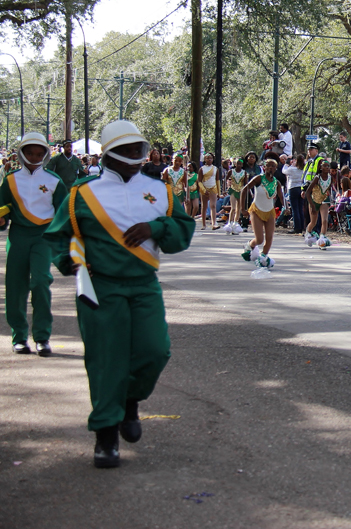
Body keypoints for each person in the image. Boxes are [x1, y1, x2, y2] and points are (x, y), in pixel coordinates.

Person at [43, 119, 194, 468]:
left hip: (144, 285)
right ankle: (105, 434)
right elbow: (56, 236)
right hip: (101, 288)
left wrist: (157, 227)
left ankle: (130, 401)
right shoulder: (82, 193)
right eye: (122, 150)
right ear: (107, 156)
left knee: (155, 352)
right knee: (106, 360)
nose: (131, 156)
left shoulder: (160, 191)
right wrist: (73, 266)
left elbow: (182, 232)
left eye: (136, 149)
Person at [0, 133, 67, 355]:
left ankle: (42, 337)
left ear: (46, 155)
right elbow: (4, 208)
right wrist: (2, 220)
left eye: (39, 154)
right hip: (18, 236)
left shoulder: (54, 181)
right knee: (16, 286)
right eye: (29, 153)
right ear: (21, 153)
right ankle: (19, 337)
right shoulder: (10, 179)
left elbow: (63, 213)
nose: (34, 157)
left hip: (43, 237)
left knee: (40, 282)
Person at [240, 158, 283, 268]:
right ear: (264, 167)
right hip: (256, 210)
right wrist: (242, 208)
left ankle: (263, 257)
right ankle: (250, 245)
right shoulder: (258, 178)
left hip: (270, 212)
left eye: (273, 166)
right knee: (259, 239)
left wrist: (286, 207)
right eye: (268, 165)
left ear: (276, 169)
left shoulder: (276, 183)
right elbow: (244, 190)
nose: (270, 168)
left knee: (269, 237)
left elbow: (281, 196)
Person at [305, 159, 333, 245]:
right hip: (314, 201)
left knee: (324, 220)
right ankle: (308, 233)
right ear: (321, 167)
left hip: (324, 200)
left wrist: (330, 198)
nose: (327, 168)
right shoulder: (317, 178)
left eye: (328, 166)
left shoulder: (330, 178)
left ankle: (322, 238)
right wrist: (312, 206)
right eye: (324, 166)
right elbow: (308, 192)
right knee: (313, 222)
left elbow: (328, 189)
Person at [283, 155, 306, 234]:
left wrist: (286, 163)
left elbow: (284, 171)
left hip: (293, 188)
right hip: (301, 188)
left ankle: (297, 227)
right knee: (300, 208)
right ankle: (302, 226)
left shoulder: (292, 169)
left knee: (295, 209)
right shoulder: (304, 169)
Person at [224, 158, 247, 235]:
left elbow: (246, 183)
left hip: (240, 191)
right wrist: (225, 188)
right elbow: (225, 179)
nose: (239, 165)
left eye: (240, 164)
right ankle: (230, 223)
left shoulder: (244, 173)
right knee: (233, 208)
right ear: (235, 164)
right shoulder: (231, 171)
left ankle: (235, 223)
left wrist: (246, 192)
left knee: (238, 209)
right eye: (238, 163)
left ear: (242, 165)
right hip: (233, 190)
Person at [199, 153, 220, 230]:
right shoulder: (202, 169)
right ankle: (203, 224)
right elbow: (199, 181)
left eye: (210, 158)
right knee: (204, 206)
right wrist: (204, 190)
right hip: (204, 188)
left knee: (213, 206)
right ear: (204, 159)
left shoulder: (215, 169)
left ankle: (214, 223)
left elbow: (217, 180)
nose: (209, 160)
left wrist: (219, 192)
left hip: (213, 188)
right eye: (207, 158)